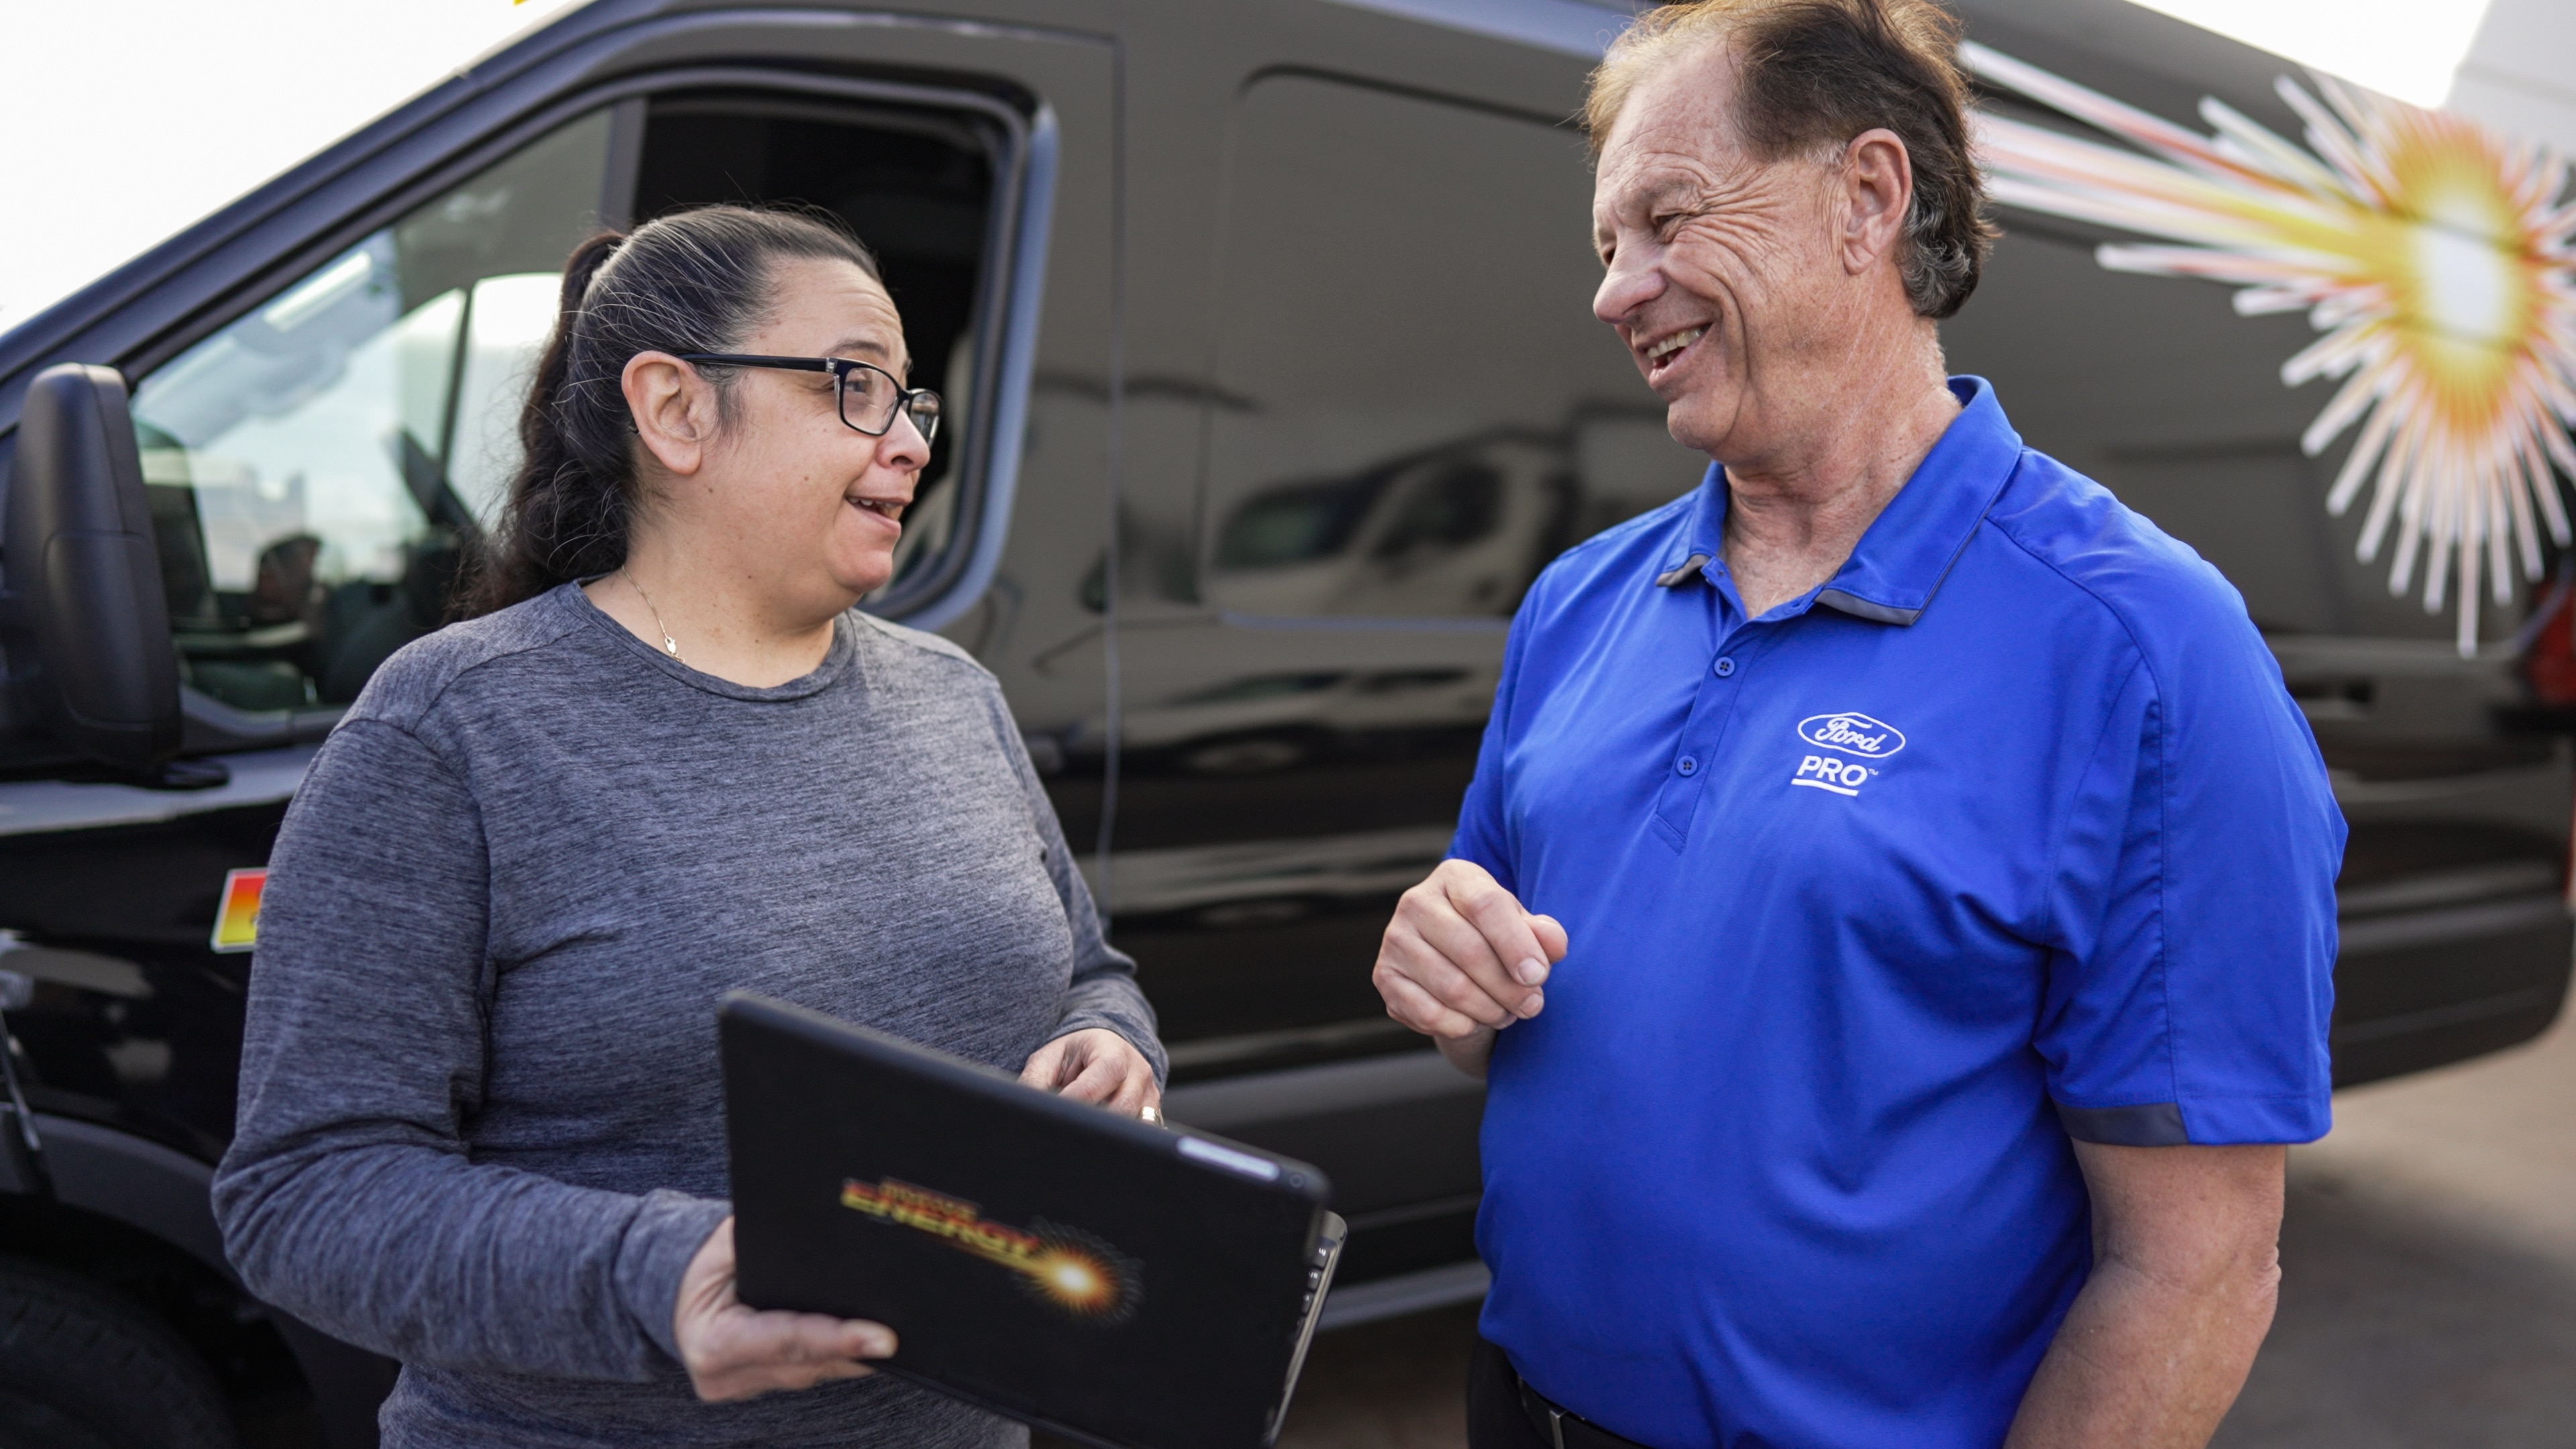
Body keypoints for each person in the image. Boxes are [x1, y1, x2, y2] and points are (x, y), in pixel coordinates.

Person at [1368, 3, 2343, 1446]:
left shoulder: (2143, 651)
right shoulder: (1581, 601)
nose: (1617, 291)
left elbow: (2195, 1269)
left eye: (1667, 219)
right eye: (1607, 245)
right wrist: (1447, 978)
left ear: (1867, 197)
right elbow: (1495, 1012)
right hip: (1516, 1410)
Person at [212, 205, 1164, 1448]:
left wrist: (1110, 1042)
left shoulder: (953, 694)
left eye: (912, 403)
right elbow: (304, 1193)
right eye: (854, 387)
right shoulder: (450, 731)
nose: (910, 443)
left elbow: (1092, 970)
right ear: (675, 411)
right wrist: (659, 1277)